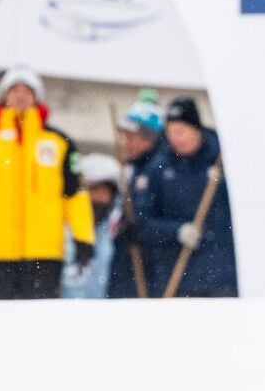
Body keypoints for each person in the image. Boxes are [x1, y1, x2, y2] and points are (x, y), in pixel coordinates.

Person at [0, 66, 95, 299]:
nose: (21, 96)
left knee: (40, 317)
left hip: (44, 254)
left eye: (28, 90)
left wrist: (83, 238)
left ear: (37, 97)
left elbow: (75, 195)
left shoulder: (59, 142)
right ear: (4, 96)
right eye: (14, 90)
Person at [133, 97, 238, 297]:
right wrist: (176, 231)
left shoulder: (223, 159)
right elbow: (142, 222)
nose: (175, 138)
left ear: (196, 128)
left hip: (222, 278)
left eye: (181, 131)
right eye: (170, 132)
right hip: (177, 278)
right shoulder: (158, 167)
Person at [107, 90, 166, 298]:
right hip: (127, 262)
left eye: (133, 137)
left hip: (150, 264)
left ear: (151, 138)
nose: (127, 142)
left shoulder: (160, 169)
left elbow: (152, 217)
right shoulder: (132, 168)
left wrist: (140, 227)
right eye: (125, 136)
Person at [61, 153, 121, 299]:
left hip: (100, 306)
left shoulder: (112, 231)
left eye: (106, 192)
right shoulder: (64, 231)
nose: (101, 198)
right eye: (94, 190)